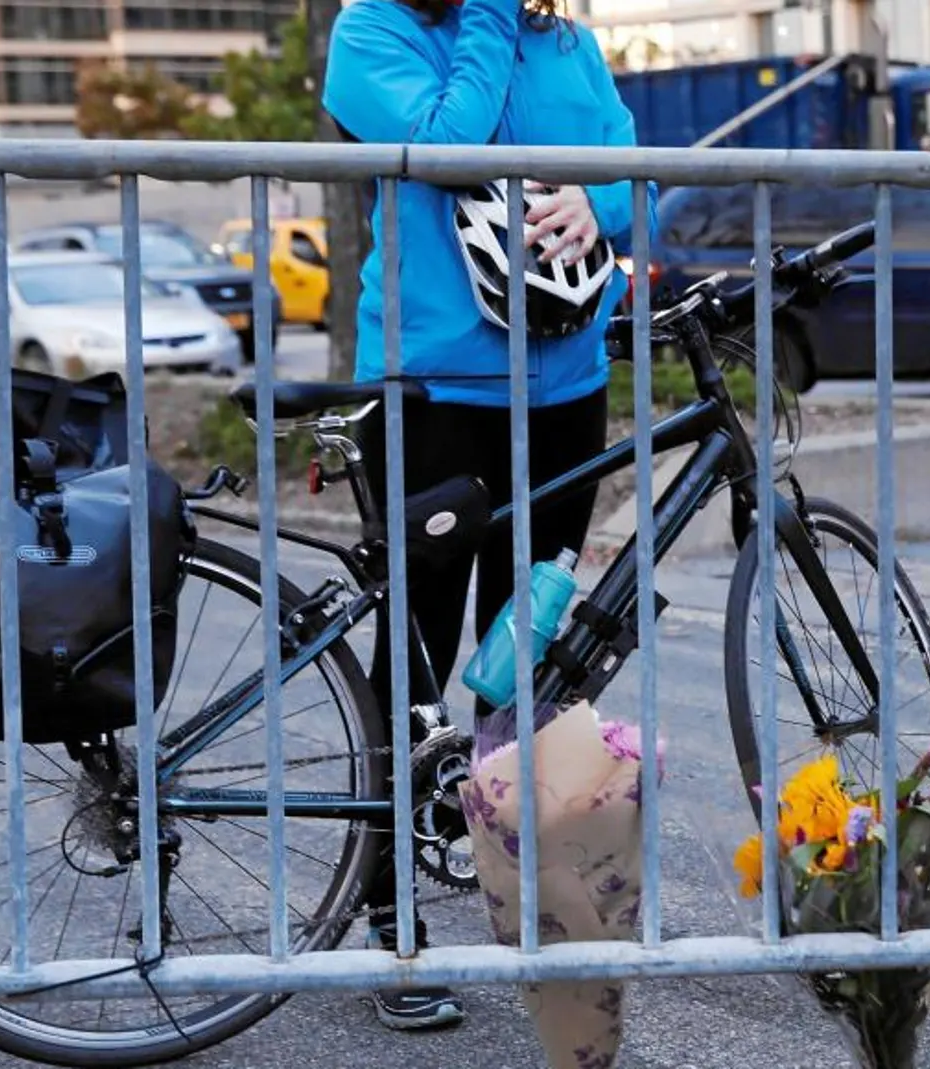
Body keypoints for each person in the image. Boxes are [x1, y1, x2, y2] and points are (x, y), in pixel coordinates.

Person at [323, 0, 654, 1033]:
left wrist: (602, 204)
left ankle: (538, 912)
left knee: (536, 656)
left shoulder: (568, 42)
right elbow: (448, 149)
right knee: (419, 652)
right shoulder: (369, 35)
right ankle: (394, 921)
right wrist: (485, 21)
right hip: (432, 391)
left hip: (562, 388)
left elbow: (637, 169)